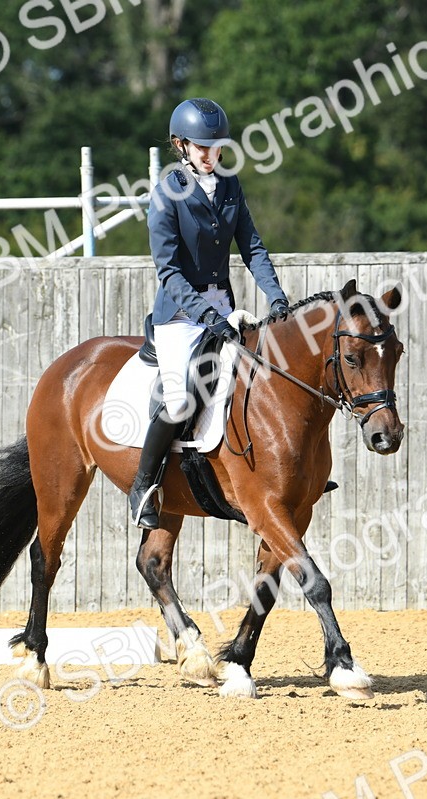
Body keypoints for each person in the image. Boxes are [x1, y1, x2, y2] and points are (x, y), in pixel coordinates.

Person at [128, 97, 290, 529]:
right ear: (181, 145)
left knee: (268, 376)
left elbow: (252, 247)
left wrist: (276, 297)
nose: (210, 154)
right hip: (181, 315)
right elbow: (170, 272)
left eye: (216, 146)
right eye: (201, 147)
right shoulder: (166, 194)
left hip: (225, 309)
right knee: (182, 399)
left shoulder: (230, 184)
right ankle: (143, 484)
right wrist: (206, 315)